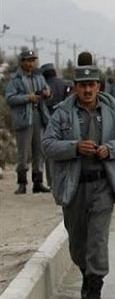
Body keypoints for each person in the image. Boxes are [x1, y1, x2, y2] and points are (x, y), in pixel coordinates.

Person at [42, 65, 115, 299]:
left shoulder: (113, 111)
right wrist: (74, 148)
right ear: (75, 87)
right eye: (82, 85)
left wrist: (111, 149)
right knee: (78, 242)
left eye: (91, 85)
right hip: (73, 186)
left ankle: (95, 288)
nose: (87, 89)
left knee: (97, 238)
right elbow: (48, 145)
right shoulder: (62, 113)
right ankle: (85, 272)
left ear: (98, 87)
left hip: (103, 185)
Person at [5, 49, 52, 194]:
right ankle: (22, 182)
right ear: (22, 62)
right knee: (23, 152)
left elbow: (47, 91)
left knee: (39, 150)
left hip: (39, 115)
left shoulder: (39, 77)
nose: (31, 63)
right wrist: (27, 98)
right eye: (28, 60)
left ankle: (38, 181)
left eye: (33, 60)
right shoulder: (15, 80)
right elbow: (10, 98)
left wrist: (47, 93)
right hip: (24, 117)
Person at [40, 62, 73, 186]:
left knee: (51, 151)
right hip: (67, 121)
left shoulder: (45, 87)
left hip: (48, 122)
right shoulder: (66, 84)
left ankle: (51, 181)